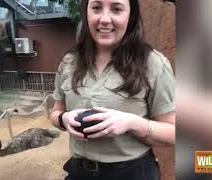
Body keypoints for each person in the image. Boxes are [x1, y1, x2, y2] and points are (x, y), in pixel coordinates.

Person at [50, 0, 175, 179]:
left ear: (130, 16)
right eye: (96, 8)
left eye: (116, 9)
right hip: (80, 172)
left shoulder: (152, 63)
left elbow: (173, 133)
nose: (105, 19)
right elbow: (55, 113)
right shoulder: (70, 61)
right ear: (87, 13)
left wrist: (131, 123)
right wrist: (64, 119)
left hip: (132, 173)